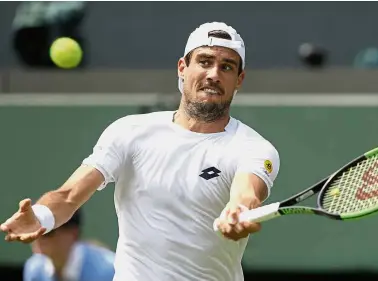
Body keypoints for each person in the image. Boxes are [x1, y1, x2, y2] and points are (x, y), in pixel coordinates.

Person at [1, 21, 280, 281]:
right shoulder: (130, 131)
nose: (213, 74)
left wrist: (238, 211)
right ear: (182, 68)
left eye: (227, 67)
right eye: (204, 62)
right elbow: (70, 195)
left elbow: (246, 194)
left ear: (239, 79)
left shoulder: (253, 148)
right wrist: (41, 217)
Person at [23, 209, 115, 281]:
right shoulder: (34, 269)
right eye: (33, 231)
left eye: (46, 232)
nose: (37, 238)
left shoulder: (111, 270)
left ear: (73, 234)